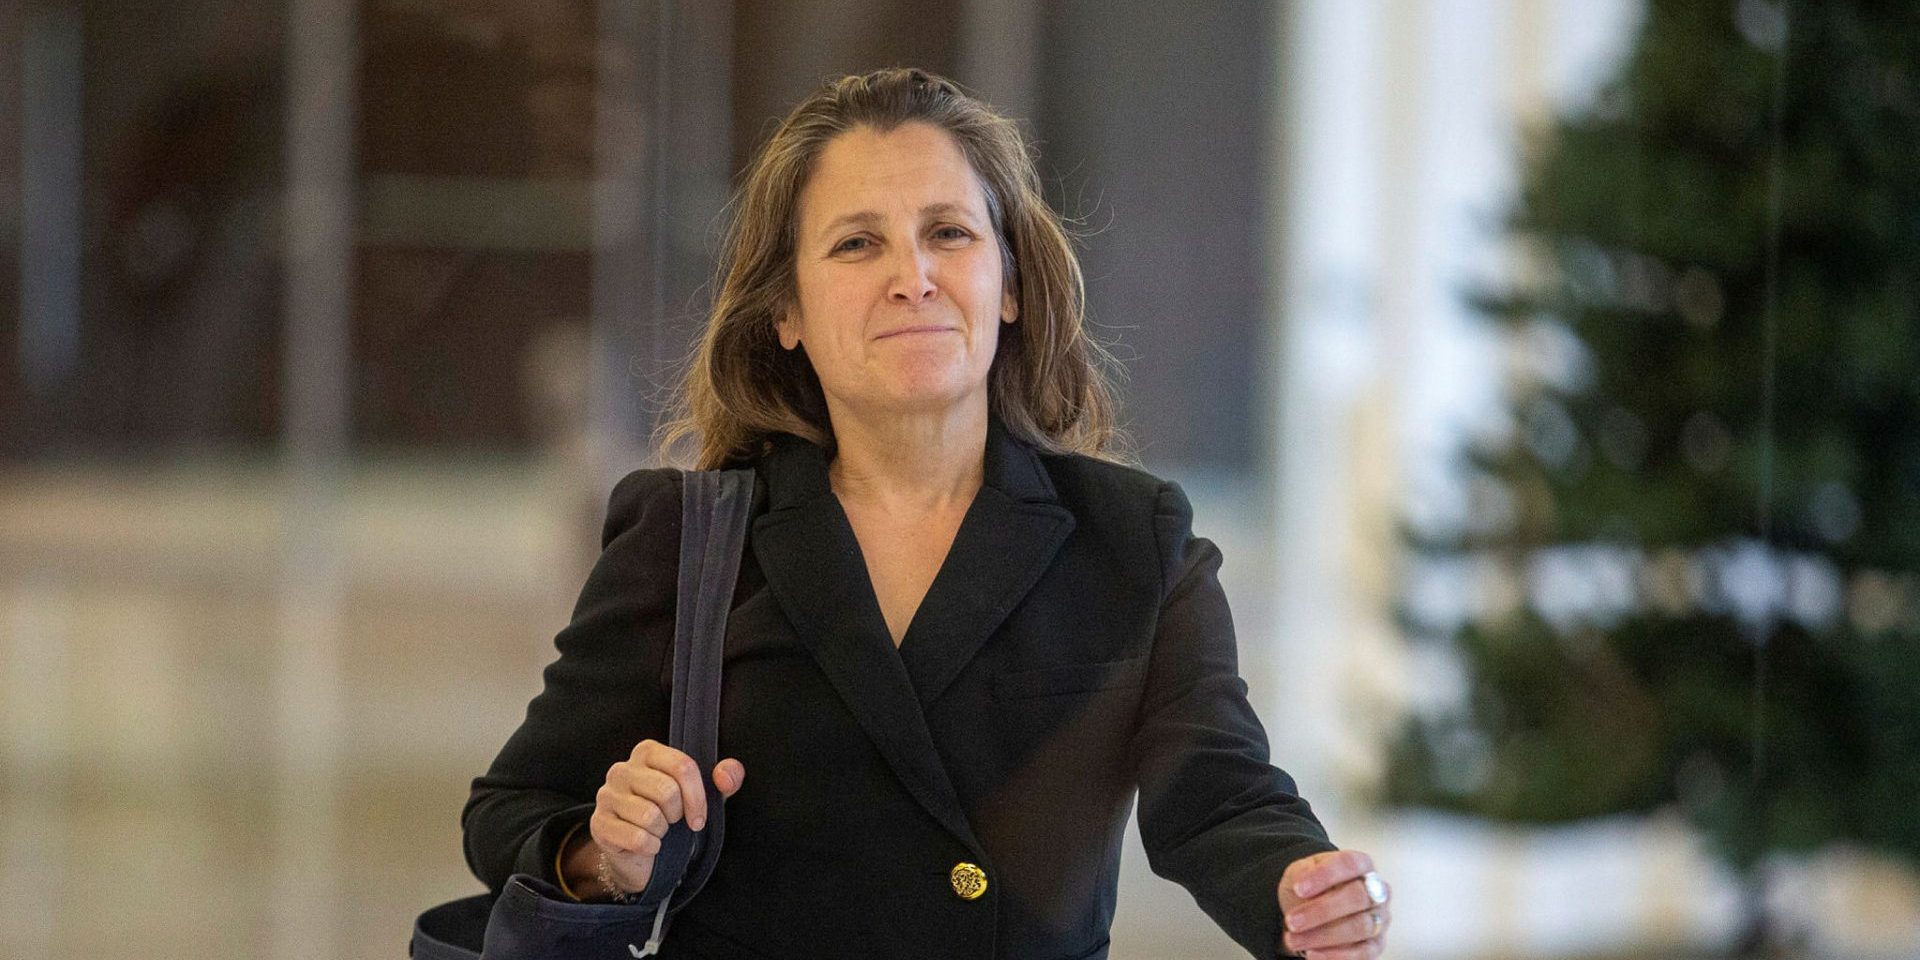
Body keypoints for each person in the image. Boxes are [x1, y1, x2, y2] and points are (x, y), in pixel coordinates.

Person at [462, 67, 1393, 960]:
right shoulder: (687, 537)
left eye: (949, 232)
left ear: (1012, 285)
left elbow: (1224, 800)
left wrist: (1304, 887)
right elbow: (510, 808)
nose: (913, 276)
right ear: (785, 308)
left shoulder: (1134, 538)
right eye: (856, 243)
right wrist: (599, 854)